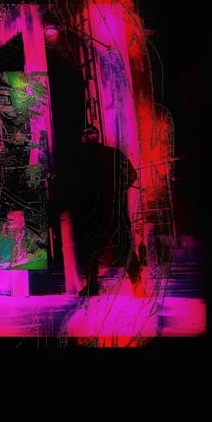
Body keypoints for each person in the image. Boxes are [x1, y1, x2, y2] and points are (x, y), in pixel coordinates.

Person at [66, 126, 141, 296]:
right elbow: (131, 175)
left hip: (94, 211)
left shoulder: (81, 159)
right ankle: (137, 285)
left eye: (87, 133)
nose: (85, 136)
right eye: (84, 133)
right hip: (109, 209)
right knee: (120, 245)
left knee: (93, 249)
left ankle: (94, 287)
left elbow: (72, 185)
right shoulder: (112, 154)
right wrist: (117, 191)